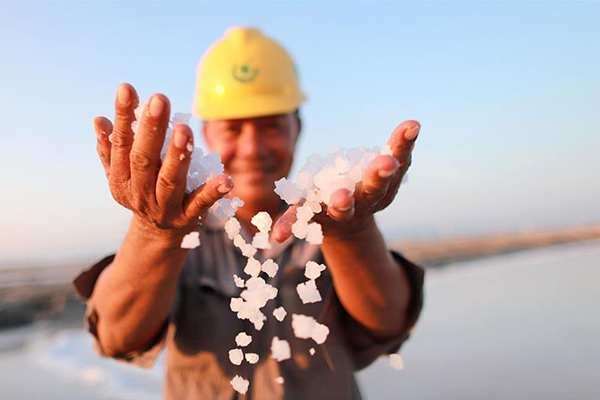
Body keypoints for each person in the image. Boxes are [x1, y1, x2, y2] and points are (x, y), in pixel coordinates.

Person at [73, 27, 424, 399]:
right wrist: (154, 232)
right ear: (207, 134)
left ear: (297, 128)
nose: (252, 148)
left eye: (271, 126)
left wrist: (351, 234)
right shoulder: (179, 230)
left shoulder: (334, 215)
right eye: (233, 128)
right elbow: (116, 337)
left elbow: (388, 324)